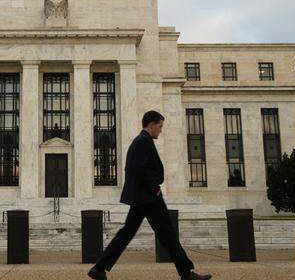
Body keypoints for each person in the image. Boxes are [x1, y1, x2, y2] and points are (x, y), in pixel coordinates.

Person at [87, 110, 212, 280]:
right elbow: (139, 168)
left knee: (127, 233)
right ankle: (186, 274)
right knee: (167, 233)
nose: (161, 130)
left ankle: (99, 268)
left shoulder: (141, 141)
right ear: (151, 125)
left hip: (142, 197)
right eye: (160, 126)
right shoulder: (143, 142)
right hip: (149, 197)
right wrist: (154, 188)